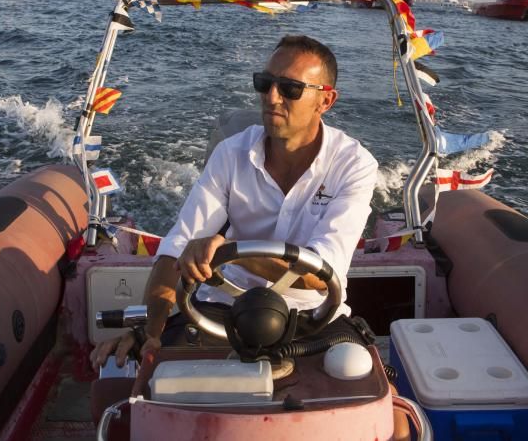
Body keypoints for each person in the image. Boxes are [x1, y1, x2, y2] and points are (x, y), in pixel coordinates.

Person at [90, 34, 378, 368]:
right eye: (265, 83)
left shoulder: (355, 165)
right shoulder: (231, 154)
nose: (271, 97)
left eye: (290, 89)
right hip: (224, 307)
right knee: (160, 385)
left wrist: (229, 252)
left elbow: (320, 273)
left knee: (380, 404)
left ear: (325, 101)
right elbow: (176, 248)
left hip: (313, 316)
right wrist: (150, 332)